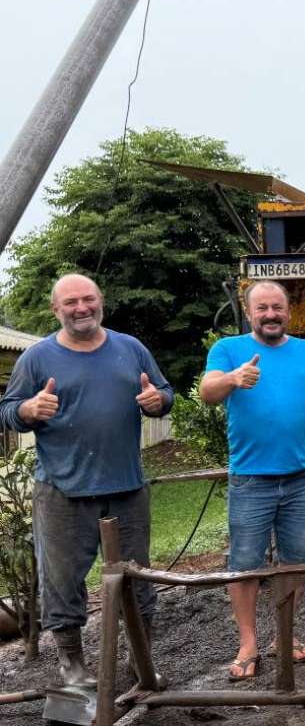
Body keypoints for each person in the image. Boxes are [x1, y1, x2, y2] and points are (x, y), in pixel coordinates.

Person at [0, 273, 173, 688]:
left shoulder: (130, 348)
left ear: (101, 301)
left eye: (88, 299)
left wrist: (157, 401)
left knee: (138, 577)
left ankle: (140, 662)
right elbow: (5, 410)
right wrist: (28, 410)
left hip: (127, 488)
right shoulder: (37, 358)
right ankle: (73, 667)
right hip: (62, 491)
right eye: (71, 302)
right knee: (62, 581)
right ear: (55, 310)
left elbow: (164, 393)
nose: (82, 308)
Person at [200, 280, 305, 680]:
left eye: (277, 308)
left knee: (296, 560)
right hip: (251, 479)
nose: (271, 314)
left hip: (299, 477)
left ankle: (284, 635)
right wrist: (233, 379)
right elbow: (207, 391)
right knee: (245, 564)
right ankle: (248, 643)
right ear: (249, 312)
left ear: (289, 312)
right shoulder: (229, 350)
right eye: (262, 308)